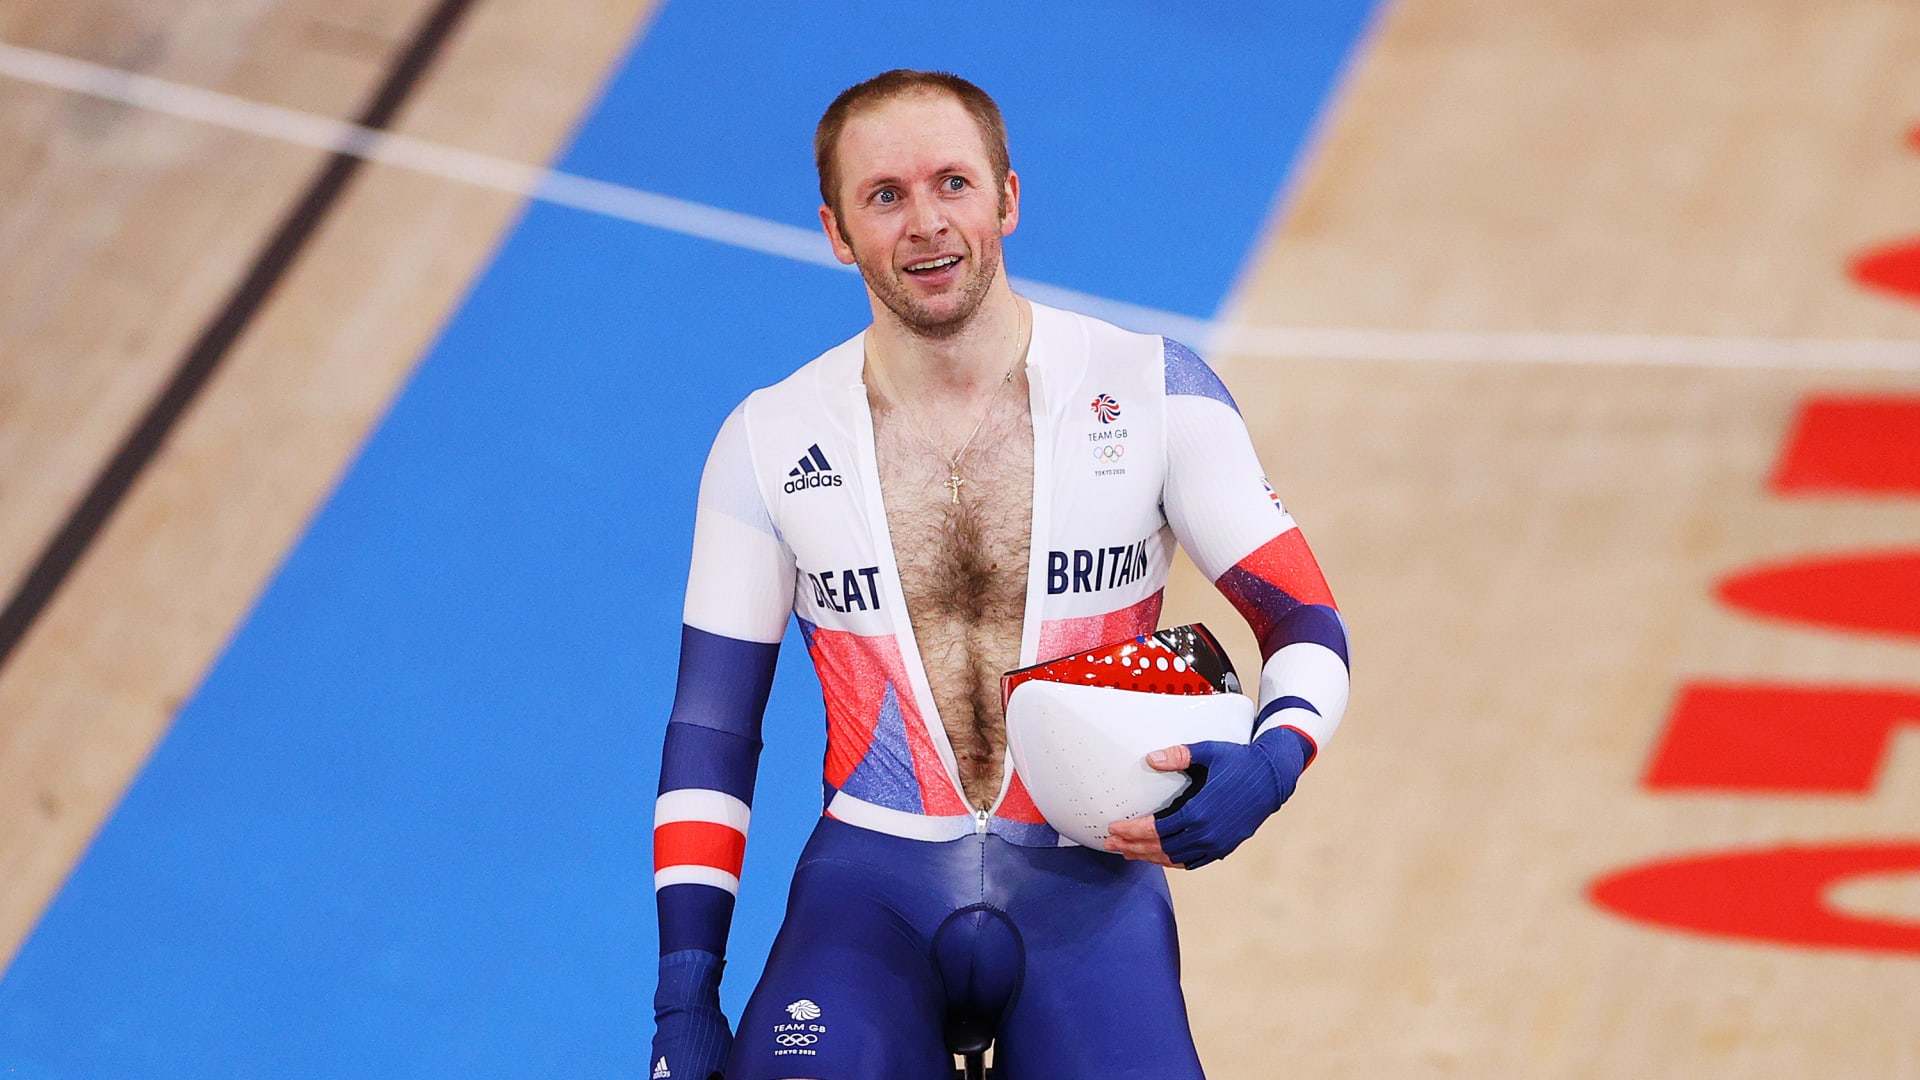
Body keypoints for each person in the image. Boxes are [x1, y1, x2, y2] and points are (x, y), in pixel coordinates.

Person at [648, 70, 1349, 1080]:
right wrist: (683, 994)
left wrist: (1276, 761)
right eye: (885, 195)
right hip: (870, 893)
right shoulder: (765, 442)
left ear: (1008, 199)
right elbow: (711, 735)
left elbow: (1307, 624)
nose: (927, 223)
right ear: (838, 231)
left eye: (953, 184)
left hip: (1089, 887)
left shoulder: (1153, 392)